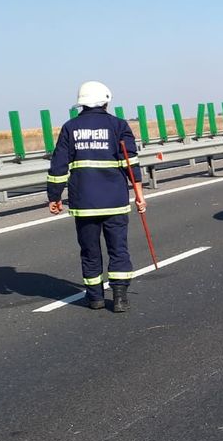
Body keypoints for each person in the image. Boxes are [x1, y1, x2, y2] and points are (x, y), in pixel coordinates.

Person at [46, 80, 147, 311]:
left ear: (81, 103)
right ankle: (120, 298)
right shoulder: (118, 125)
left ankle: (95, 298)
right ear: (105, 100)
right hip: (115, 202)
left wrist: (54, 196)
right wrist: (140, 196)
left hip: (84, 203)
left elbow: (58, 166)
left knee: (90, 251)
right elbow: (130, 163)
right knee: (118, 249)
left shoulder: (70, 127)